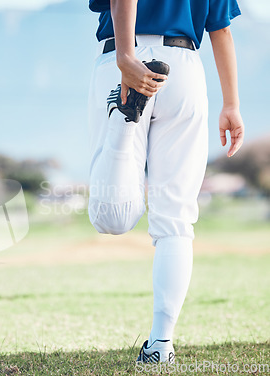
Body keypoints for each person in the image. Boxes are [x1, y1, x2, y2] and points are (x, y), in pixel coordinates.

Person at [87, 0, 244, 363]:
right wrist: (231, 104)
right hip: (184, 68)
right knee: (175, 221)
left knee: (111, 219)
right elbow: (220, 27)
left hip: (120, 56)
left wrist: (127, 57)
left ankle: (123, 122)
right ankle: (160, 345)